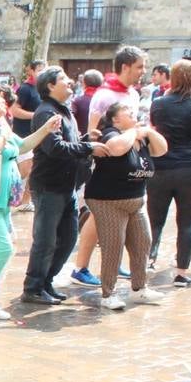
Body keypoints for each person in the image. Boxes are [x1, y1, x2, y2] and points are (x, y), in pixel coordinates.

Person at [0, 86, 60, 321]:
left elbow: (23, 146)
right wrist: (3, 137)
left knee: (1, 248)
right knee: (2, 247)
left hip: (1, 198)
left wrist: (46, 129)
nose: (5, 104)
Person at [21, 67, 110, 305]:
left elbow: (67, 144)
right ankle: (32, 287)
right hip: (48, 186)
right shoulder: (46, 112)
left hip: (66, 186)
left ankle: (46, 281)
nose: (70, 82)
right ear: (50, 86)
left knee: (69, 238)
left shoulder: (64, 111)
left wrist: (84, 140)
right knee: (46, 240)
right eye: (63, 79)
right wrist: (88, 148)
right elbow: (55, 148)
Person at [71, 49, 147, 286]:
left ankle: (114, 264)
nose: (143, 72)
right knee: (96, 216)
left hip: (129, 167)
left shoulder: (133, 94)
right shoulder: (104, 96)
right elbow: (95, 134)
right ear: (125, 67)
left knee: (124, 221)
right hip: (106, 168)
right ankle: (80, 267)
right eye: (139, 67)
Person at [84, 102, 168, 308]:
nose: (132, 113)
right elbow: (116, 149)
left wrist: (147, 131)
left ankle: (139, 289)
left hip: (136, 200)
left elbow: (162, 149)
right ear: (115, 119)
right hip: (108, 200)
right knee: (113, 246)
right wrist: (133, 131)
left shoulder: (140, 137)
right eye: (127, 112)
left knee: (143, 242)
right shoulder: (110, 134)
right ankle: (108, 294)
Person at [148, 59, 191, 286]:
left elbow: (154, 134)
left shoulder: (158, 104)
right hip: (190, 169)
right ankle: (181, 273)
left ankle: (147, 262)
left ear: (173, 77)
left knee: (154, 221)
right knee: (186, 223)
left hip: (161, 168)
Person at [10, 60, 46, 202]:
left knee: (34, 169)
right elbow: (14, 110)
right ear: (30, 71)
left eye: (45, 69)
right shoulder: (25, 89)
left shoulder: (43, 89)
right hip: (23, 134)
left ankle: (25, 201)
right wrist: (36, 115)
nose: (42, 72)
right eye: (39, 69)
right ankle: (11, 196)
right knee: (24, 170)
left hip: (38, 134)